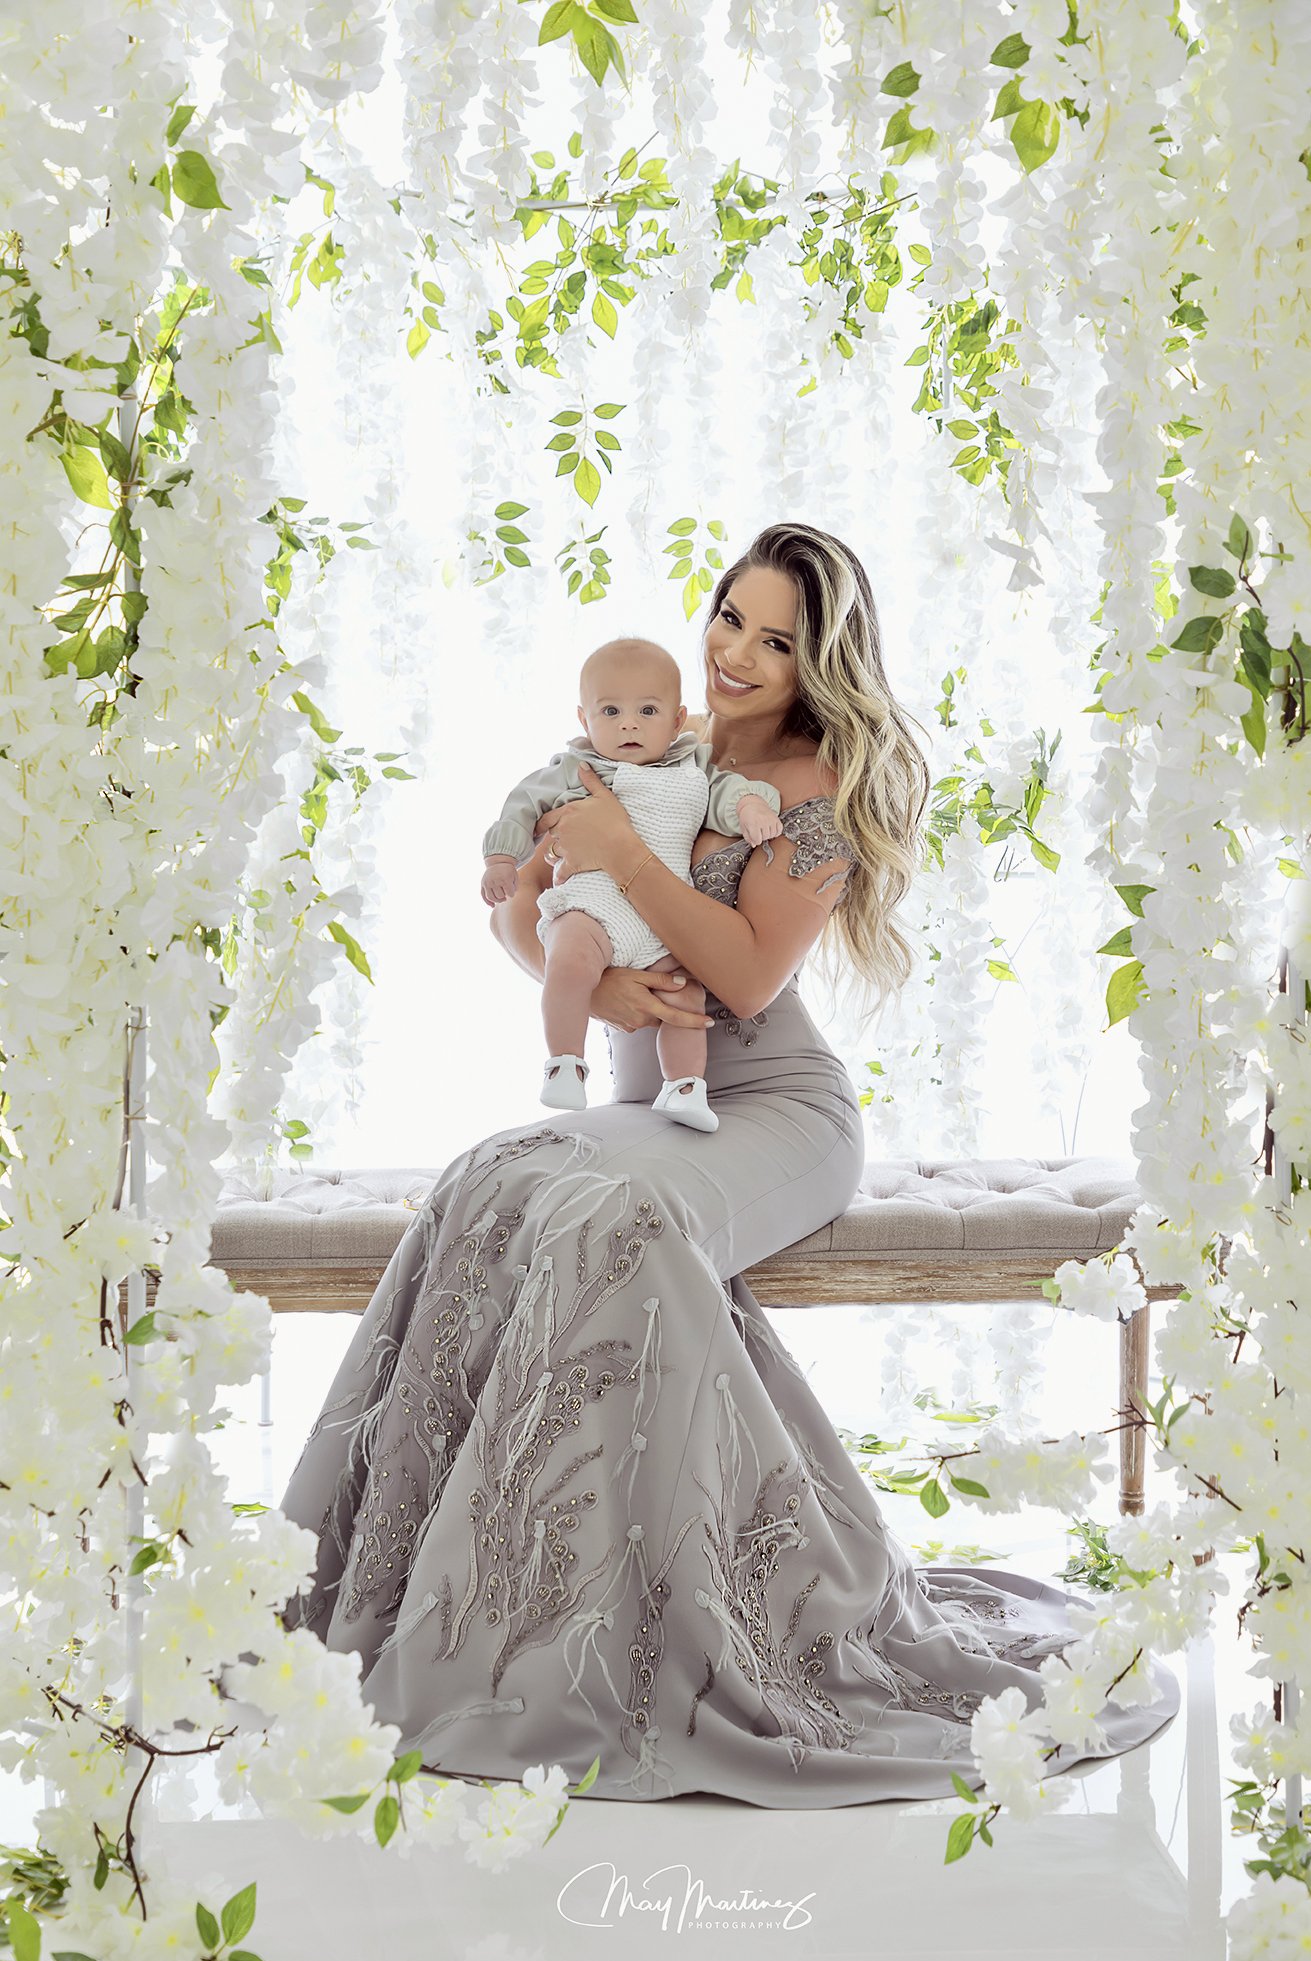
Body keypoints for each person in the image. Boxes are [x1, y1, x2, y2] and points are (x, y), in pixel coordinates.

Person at [277, 522, 1180, 1805]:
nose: (738, 652)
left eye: (777, 640)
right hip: (658, 1101)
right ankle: (469, 1594)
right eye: (729, 618)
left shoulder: (813, 792)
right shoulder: (652, 741)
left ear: (820, 666)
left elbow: (749, 977)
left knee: (620, 1220)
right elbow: (529, 918)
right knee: (495, 1173)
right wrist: (599, 984)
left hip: (775, 1111)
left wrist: (622, 855)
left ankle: (663, 1628)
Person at [479, 634, 783, 1131]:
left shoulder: (694, 770)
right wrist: (500, 859)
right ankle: (565, 1062)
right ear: (585, 720)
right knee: (569, 962)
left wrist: (749, 806)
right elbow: (522, 803)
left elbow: (728, 793)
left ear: (677, 721)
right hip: (591, 907)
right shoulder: (578, 771)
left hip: (662, 921)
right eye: (611, 711)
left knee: (684, 998)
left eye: (647, 711)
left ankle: (684, 1087)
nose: (628, 724)